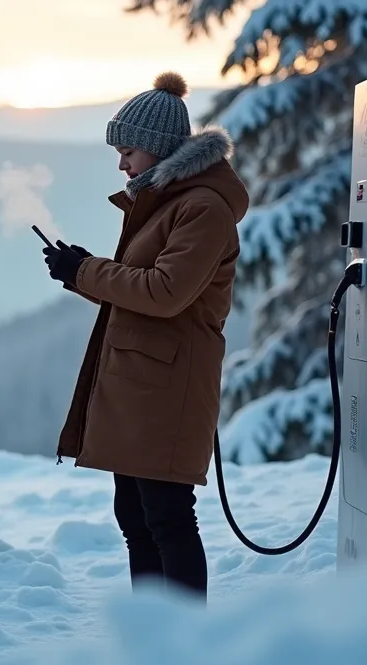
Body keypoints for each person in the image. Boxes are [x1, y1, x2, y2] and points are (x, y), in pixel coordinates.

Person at [41, 71, 249, 601]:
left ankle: (181, 647)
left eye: (128, 150)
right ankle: (157, 641)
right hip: (145, 388)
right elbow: (143, 288)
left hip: (168, 389)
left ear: (158, 150)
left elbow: (165, 291)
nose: (121, 163)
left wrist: (86, 270)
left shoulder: (201, 208)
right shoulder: (166, 201)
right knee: (137, 516)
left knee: (167, 519)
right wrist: (79, 272)